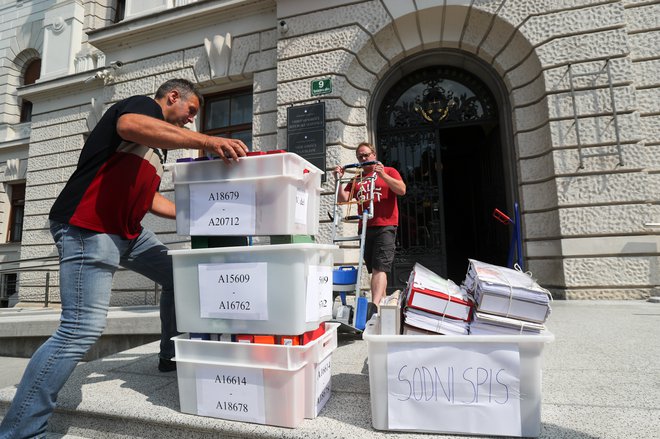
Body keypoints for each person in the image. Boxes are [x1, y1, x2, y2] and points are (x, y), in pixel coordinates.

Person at [0, 78, 248, 438]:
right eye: (190, 111)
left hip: (128, 232)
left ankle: (169, 355)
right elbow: (129, 125)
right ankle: (21, 430)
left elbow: (148, 201)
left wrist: (204, 216)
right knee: (79, 330)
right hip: (89, 226)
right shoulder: (141, 109)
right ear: (173, 97)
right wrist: (209, 141)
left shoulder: (156, 150)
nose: (190, 121)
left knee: (180, 278)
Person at [334, 141, 406, 311]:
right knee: (375, 269)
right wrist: (338, 179)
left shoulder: (389, 171)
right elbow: (343, 198)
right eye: (360, 156)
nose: (364, 158)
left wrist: (384, 176)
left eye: (366, 155)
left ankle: (373, 307)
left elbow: (402, 190)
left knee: (379, 267)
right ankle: (381, 305)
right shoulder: (357, 178)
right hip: (365, 227)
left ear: (374, 155)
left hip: (385, 225)